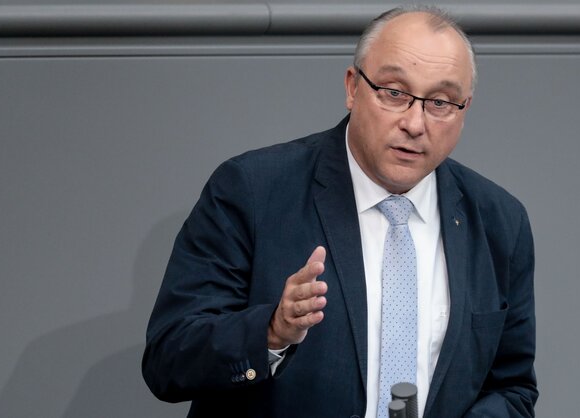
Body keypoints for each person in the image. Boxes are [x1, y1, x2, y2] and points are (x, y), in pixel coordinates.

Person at [142, 5, 537, 417]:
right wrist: (272, 332)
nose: (415, 123)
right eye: (395, 93)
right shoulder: (253, 190)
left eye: (439, 102)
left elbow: (512, 388)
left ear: (464, 109)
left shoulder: (499, 222)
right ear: (353, 87)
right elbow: (168, 359)